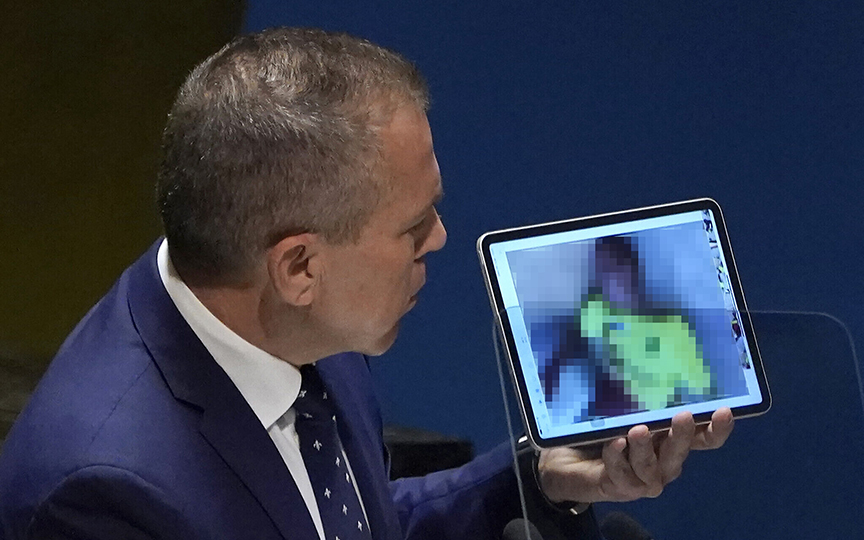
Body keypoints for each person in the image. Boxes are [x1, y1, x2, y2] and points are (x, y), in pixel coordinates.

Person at [0, 28, 733, 540]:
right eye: (413, 227)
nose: (440, 238)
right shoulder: (104, 495)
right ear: (300, 267)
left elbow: (343, 520)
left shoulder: (295, 322)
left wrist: (539, 478)